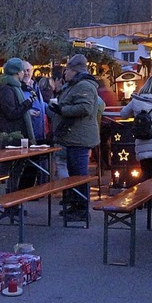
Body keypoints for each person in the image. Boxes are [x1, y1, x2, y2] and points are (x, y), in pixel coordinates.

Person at [46, 54, 100, 221]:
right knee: (74, 174)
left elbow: (84, 108)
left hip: (79, 137)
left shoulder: (84, 86)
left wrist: (61, 110)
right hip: (72, 136)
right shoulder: (75, 85)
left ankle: (82, 210)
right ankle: (75, 205)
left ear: (74, 70)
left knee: (79, 175)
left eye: (67, 70)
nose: (64, 73)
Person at [0, 57, 37, 189]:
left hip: (16, 137)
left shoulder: (14, 87)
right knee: (3, 171)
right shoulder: (6, 89)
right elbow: (11, 113)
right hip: (10, 137)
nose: (25, 73)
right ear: (17, 72)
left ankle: (13, 206)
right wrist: (28, 104)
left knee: (15, 172)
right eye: (23, 71)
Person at [119, 75, 152, 186]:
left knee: (145, 171)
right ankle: (151, 198)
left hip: (142, 140)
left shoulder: (136, 100)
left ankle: (146, 199)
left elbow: (123, 114)